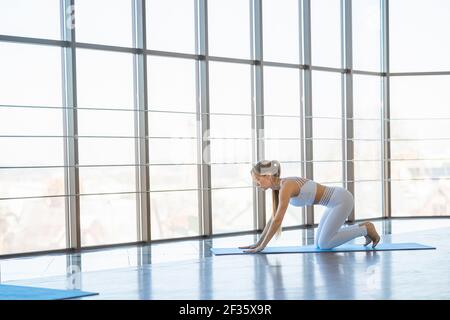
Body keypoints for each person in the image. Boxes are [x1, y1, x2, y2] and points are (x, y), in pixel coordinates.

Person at [240, 160, 380, 253]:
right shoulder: (279, 189)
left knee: (325, 244)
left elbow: (278, 220)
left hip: (341, 199)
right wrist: (257, 243)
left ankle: (366, 229)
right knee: (319, 245)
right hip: (332, 204)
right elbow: (273, 219)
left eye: (258, 179)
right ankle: (363, 228)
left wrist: (262, 247)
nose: (257, 184)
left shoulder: (286, 186)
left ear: (269, 176)